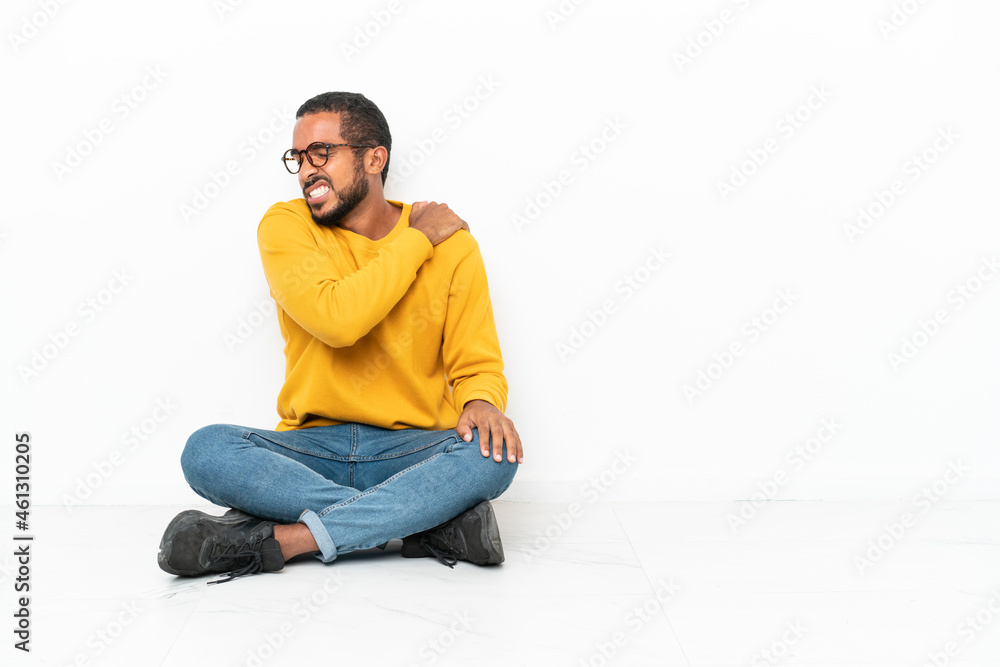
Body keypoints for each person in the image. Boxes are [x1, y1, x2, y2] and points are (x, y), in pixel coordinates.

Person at [157, 92, 522, 584]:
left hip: (409, 451)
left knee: (492, 456)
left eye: (321, 153)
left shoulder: (453, 246)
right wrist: (416, 241)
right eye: (298, 157)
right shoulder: (287, 226)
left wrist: (481, 402)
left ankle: (288, 540)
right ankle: (424, 524)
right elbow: (339, 320)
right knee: (206, 450)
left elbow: (476, 363)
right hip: (309, 453)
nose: (306, 170)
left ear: (375, 158)